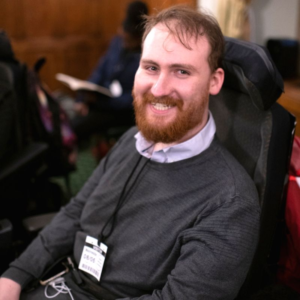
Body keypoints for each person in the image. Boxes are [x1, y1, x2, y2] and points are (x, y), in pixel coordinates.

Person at [0, 5, 260, 300]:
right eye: (151, 67)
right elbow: (76, 212)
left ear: (214, 81)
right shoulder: (131, 140)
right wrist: (16, 275)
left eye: (182, 71)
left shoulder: (230, 201)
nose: (160, 89)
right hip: (60, 281)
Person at [71, 1, 149, 142]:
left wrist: (101, 102)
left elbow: (137, 99)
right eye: (123, 35)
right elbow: (99, 71)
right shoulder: (117, 43)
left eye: (128, 39)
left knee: (75, 127)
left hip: (120, 112)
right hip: (100, 103)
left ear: (139, 39)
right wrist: (83, 98)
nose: (124, 40)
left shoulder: (147, 57)